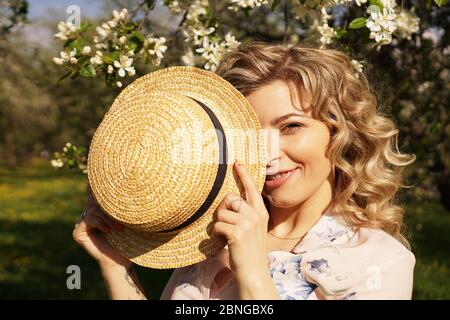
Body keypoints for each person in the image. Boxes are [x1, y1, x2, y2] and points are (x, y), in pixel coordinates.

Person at [73, 41, 416, 300]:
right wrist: (116, 267)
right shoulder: (207, 239)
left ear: (339, 132)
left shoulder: (379, 261)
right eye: (250, 136)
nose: (267, 154)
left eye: (291, 126)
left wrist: (251, 270)